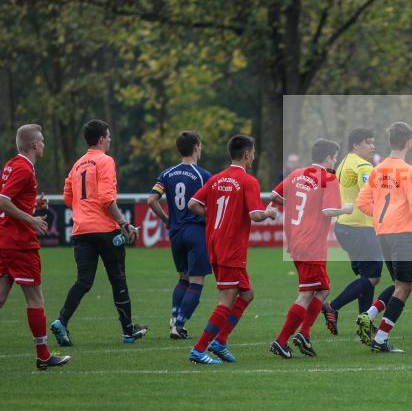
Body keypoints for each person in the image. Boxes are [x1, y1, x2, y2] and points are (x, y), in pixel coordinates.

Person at [51, 120, 146, 346]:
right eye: (109, 136)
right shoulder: (105, 161)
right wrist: (124, 222)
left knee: (84, 281)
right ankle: (127, 330)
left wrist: (83, 211)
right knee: (118, 279)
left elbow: (67, 198)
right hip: (105, 231)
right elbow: (106, 199)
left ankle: (61, 321)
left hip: (81, 230)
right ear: (102, 138)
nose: (110, 140)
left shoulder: (77, 164)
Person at [185, 135, 277, 365]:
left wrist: (216, 217)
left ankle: (220, 341)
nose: (254, 156)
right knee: (226, 300)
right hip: (231, 248)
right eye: (253, 152)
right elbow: (256, 215)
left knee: (247, 294)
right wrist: (268, 213)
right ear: (246, 154)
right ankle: (199, 349)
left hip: (215, 243)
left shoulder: (216, 179)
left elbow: (192, 204)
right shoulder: (249, 181)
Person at [355, 122, 412, 353]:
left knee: (398, 285)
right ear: (409, 143)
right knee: (404, 287)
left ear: (390, 141)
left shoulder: (377, 169)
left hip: (383, 233)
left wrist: (383, 216)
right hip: (404, 234)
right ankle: (381, 338)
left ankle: (368, 315)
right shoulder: (410, 171)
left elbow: (362, 203)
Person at [269, 139, 352, 358]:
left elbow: (275, 195)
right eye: (335, 157)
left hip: (296, 240)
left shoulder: (297, 174)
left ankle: (304, 334)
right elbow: (328, 211)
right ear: (328, 158)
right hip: (311, 244)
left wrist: (297, 206)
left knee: (323, 288)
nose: (335, 161)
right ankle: (281, 341)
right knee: (306, 294)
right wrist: (346, 209)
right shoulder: (328, 178)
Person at [0, 124, 70, 369]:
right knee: (35, 298)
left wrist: (33, 206)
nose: (44, 145)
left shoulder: (11, 164)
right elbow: (2, 201)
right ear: (33, 145)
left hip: (6, 239)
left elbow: (12, 202)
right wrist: (32, 219)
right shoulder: (23, 169)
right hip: (20, 243)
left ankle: (43, 355)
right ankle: (43, 355)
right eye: (42, 141)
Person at [147, 130, 212, 339]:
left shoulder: (166, 174)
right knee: (197, 281)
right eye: (200, 146)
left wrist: (167, 220)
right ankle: (179, 324)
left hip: (175, 234)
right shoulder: (203, 176)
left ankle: (175, 317)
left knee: (183, 277)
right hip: (195, 232)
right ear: (196, 147)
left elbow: (151, 200)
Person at [321, 127, 383, 337]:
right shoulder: (363, 165)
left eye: (373, 142)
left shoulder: (344, 162)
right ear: (356, 144)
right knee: (373, 276)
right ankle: (333, 306)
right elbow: (372, 195)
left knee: (367, 276)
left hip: (345, 226)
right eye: (368, 142)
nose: (373, 146)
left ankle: (363, 324)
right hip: (360, 227)